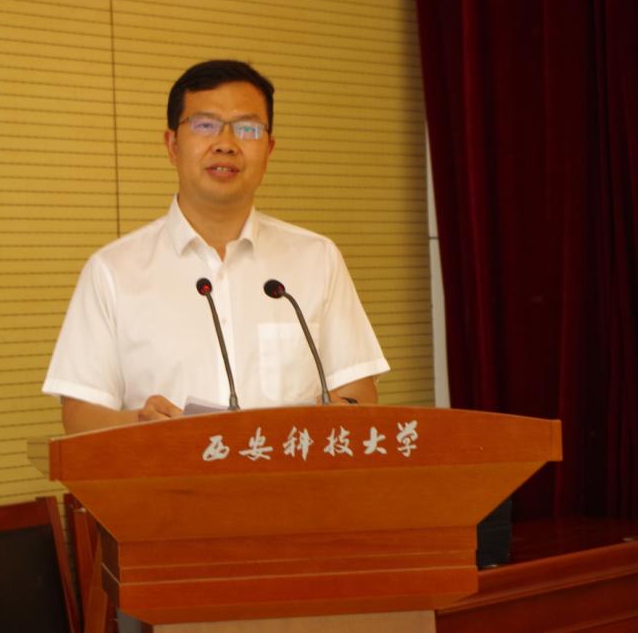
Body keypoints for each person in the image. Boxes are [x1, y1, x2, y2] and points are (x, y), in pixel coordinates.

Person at [43, 60, 389, 434]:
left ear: (269, 149)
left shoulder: (316, 258)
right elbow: (80, 416)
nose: (226, 144)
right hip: (166, 472)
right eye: (205, 125)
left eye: (247, 129)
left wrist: (339, 413)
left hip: (290, 471)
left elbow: (358, 393)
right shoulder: (112, 270)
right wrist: (140, 425)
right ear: (172, 145)